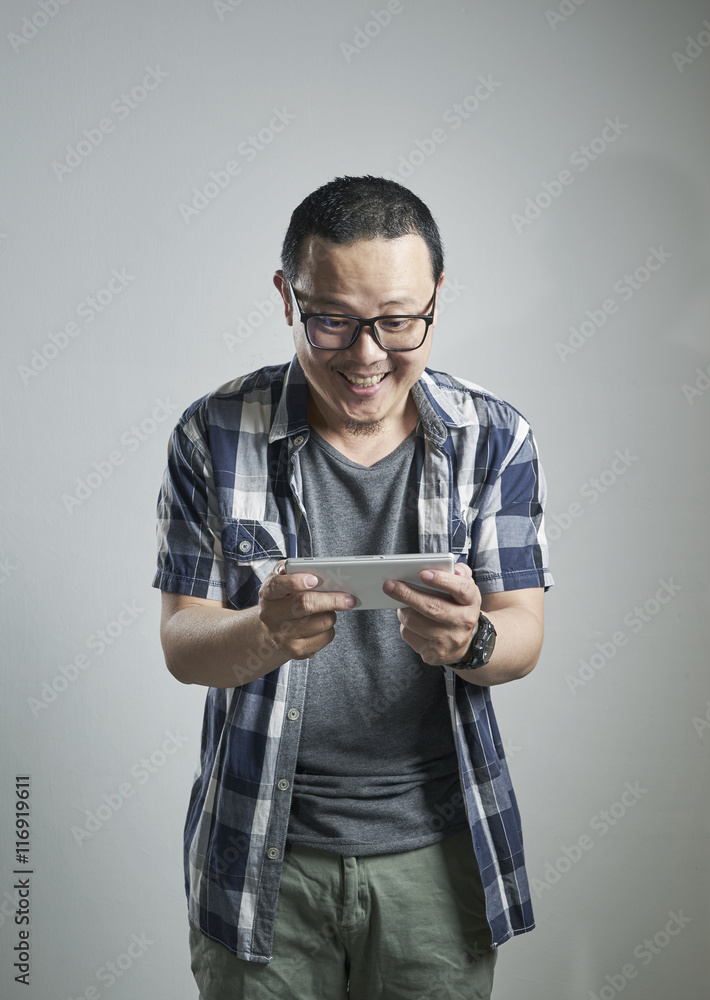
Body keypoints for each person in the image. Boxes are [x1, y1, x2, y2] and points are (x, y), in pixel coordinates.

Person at [153, 175, 553, 999]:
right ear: (286, 298)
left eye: (398, 321)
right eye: (331, 319)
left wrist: (473, 640)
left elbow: (523, 635)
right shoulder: (213, 435)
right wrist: (262, 633)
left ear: (438, 296)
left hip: (437, 864)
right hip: (262, 854)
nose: (367, 355)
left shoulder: (496, 439)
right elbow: (183, 644)